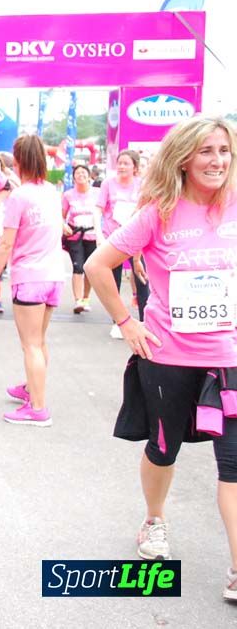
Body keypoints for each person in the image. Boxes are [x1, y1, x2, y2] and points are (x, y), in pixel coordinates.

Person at [84, 116, 237, 598]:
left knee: (232, 464)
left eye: (224, 151)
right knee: (163, 449)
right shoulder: (159, 212)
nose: (217, 160)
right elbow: (96, 264)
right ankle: (154, 520)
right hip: (168, 355)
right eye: (207, 151)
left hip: (229, 359)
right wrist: (128, 323)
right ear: (185, 158)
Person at [0, 135, 64, 426]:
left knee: (30, 344)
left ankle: (38, 408)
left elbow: (5, 244)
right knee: (39, 341)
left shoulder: (19, 196)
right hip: (54, 276)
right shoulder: (51, 192)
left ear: (17, 161)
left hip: (29, 277)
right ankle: (33, 388)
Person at [96, 149, 149, 339]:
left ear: (135, 167)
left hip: (138, 239)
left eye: (126, 163)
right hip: (114, 238)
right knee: (113, 281)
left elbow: (146, 209)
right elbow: (99, 210)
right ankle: (118, 322)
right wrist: (99, 235)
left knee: (142, 280)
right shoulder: (108, 184)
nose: (122, 166)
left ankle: (146, 320)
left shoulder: (143, 185)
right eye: (119, 163)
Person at [63, 164, 99, 313]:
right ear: (73, 177)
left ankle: (85, 298)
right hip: (75, 236)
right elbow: (61, 215)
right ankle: (78, 300)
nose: (81, 175)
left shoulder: (98, 193)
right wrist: (64, 226)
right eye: (77, 173)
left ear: (89, 176)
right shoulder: (68, 195)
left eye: (84, 173)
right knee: (78, 267)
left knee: (89, 268)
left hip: (93, 235)